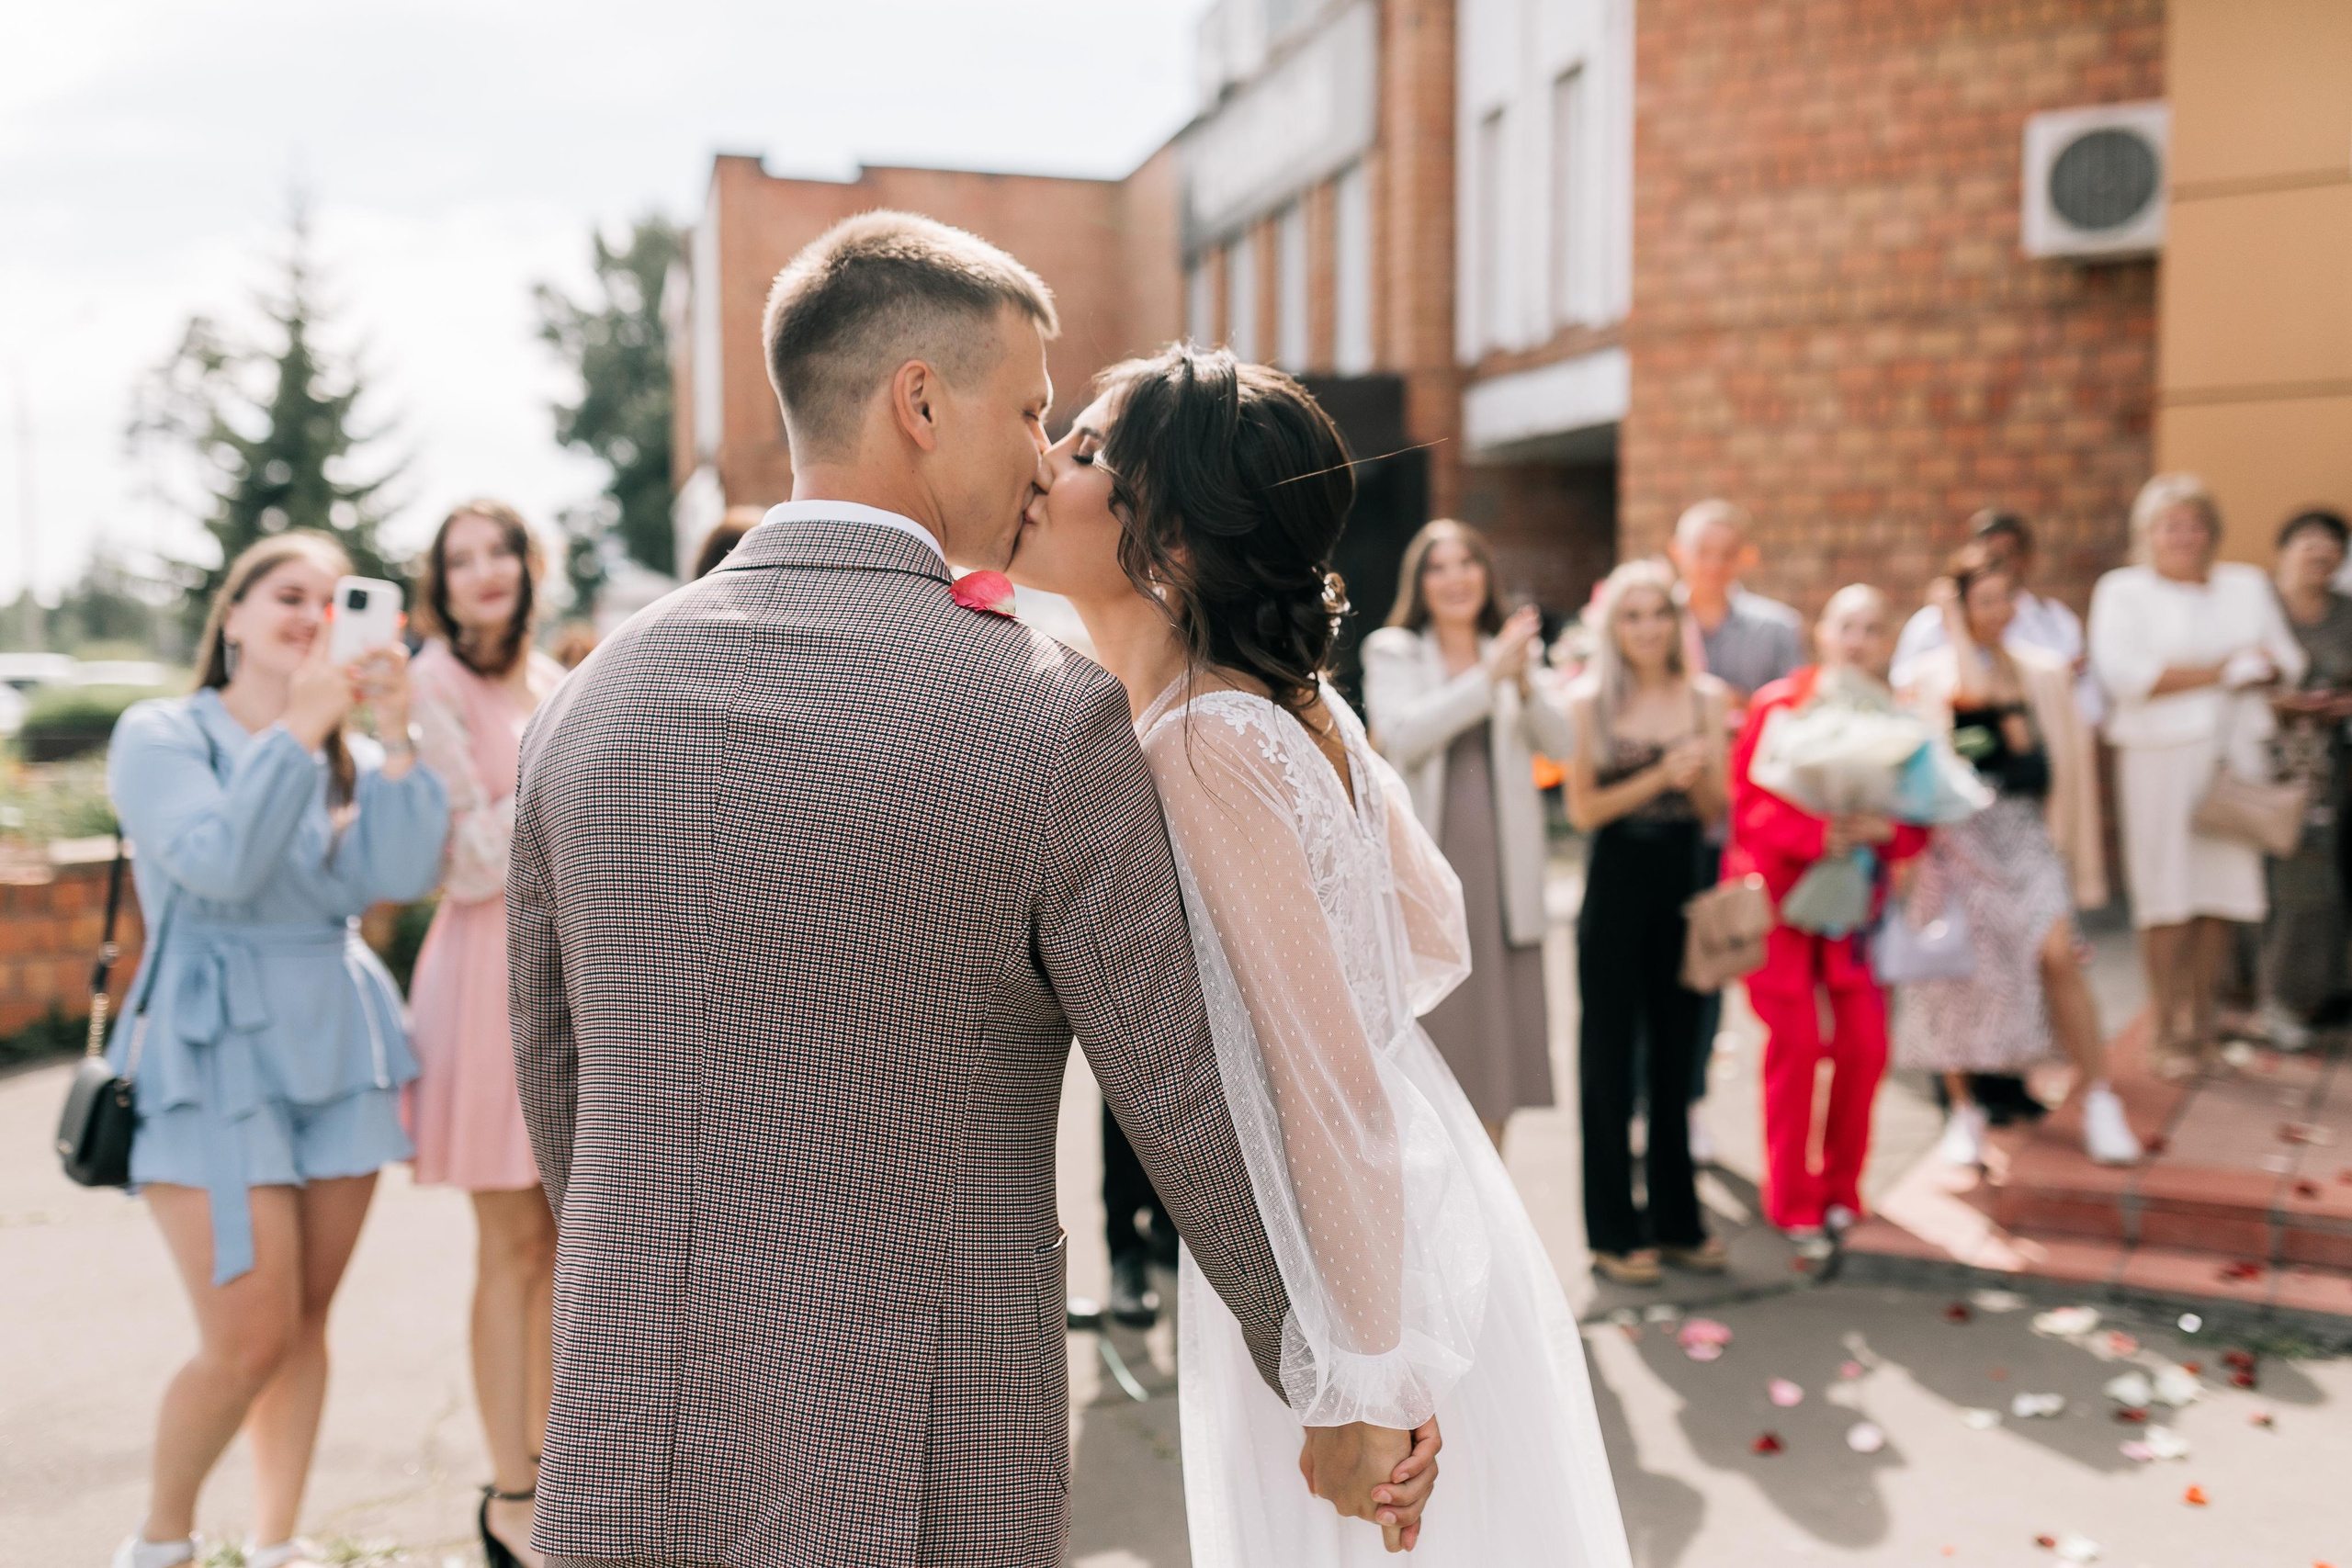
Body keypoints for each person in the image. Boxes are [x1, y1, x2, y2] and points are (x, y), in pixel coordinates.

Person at [507, 214, 1436, 1568]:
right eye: (1032, 410)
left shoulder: (584, 704)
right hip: (930, 1445)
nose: (1044, 456)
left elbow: (558, 1082)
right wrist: (1326, 1375)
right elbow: (1179, 1092)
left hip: (631, 1426)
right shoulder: (1044, 714)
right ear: (922, 403)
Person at [1010, 342, 1631, 1566]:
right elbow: (1430, 928)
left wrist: (1361, 1377)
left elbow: (1321, 1075)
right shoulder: (1291, 704)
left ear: (1170, 538)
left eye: (1082, 449)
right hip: (1401, 1198)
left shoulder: (1200, 739)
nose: (1043, 461)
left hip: (1337, 1259)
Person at [105, 533, 447, 1568]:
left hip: (335, 1043)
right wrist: (299, 727)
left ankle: (277, 1540)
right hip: (212, 1050)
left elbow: (396, 874)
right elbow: (218, 865)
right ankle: (159, 1543)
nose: (310, 615)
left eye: (330, 600)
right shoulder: (162, 734)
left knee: (303, 1321)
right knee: (246, 1336)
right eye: (287, 594)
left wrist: (395, 735)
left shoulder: (347, 750)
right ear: (235, 614)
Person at [401, 500, 568, 1568]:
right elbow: (461, 860)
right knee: (508, 1242)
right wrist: (567, 792)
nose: (483, 571)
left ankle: (554, 1466)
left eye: (498, 549)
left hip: (560, 969)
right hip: (481, 976)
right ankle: (509, 1492)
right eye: (459, 559)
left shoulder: (550, 678)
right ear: (440, 583)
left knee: (558, 1240)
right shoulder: (430, 684)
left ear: (528, 563)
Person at [1894, 544, 2142, 1167]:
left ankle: (2099, 1097)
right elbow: (1968, 702)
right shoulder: (1932, 676)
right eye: (1985, 600)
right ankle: (1965, 1113)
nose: (2001, 610)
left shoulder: (2042, 671)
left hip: (2025, 833)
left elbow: (2049, 768)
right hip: (1956, 843)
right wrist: (1954, 629)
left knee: (2058, 955)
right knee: (1957, 973)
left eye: (2007, 598)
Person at [1362, 519, 1574, 1150]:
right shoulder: (1394, 650)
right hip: (1428, 866)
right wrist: (1490, 678)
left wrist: (1524, 682)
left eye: (1467, 563)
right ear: (1419, 582)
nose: (1455, 578)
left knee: (1500, 1054)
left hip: (1505, 878)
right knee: (1438, 1049)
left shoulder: (1511, 651)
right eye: (1438, 566)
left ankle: (1499, 1185)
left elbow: (1563, 744)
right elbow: (1403, 736)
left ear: (1487, 574)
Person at [2089, 474, 2305, 1078]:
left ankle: (2204, 1026)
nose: (2185, 536)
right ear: (2149, 533)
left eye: (2195, 524)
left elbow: (2288, 660)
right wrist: (2220, 670)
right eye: (2172, 526)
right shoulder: (2124, 591)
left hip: (2234, 760)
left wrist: (2258, 669)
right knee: (2166, 894)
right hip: (2158, 760)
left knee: (2220, 894)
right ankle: (2163, 1028)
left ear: (2212, 530)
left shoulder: (2245, 584)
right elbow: (2126, 675)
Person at [1728, 585, 1928, 1239]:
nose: (1858, 640)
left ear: (1886, 641)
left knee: (1864, 1046)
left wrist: (1882, 830)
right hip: (1783, 903)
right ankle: (1793, 1197)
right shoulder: (1779, 704)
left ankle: (1844, 1186)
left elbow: (1919, 818)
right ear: (1822, 632)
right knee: (1797, 1045)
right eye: (1847, 626)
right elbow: (1747, 806)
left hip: (1855, 914)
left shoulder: (1898, 718)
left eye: (1872, 628)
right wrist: (1819, 834)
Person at [1563, 559, 1731, 1284]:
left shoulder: (1705, 698)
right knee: (1607, 1058)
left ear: (1676, 621)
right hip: (1615, 882)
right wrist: (1660, 775)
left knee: (1677, 1051)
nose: (1647, 627)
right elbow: (1582, 811)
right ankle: (1611, 1229)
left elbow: (1716, 811)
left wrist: (1698, 779)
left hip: (1685, 881)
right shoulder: (1588, 701)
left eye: (1659, 612)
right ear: (1613, 626)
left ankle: (1675, 1220)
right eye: (1632, 615)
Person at [1666, 499, 1802, 1161]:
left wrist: (1734, 710)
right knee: (1654, 970)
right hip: (1663, 818)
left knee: (1709, 967)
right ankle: (1654, 1103)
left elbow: (1792, 729)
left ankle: (1689, 1102)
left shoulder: (1775, 629)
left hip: (1736, 830)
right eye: (1702, 552)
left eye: (1726, 553)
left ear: (1743, 557)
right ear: (1679, 554)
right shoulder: (1650, 617)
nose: (1713, 566)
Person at [2259, 507, 2352, 1047]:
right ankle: (2270, 994)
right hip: (2261, 764)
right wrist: (2279, 704)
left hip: (2329, 768)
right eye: (2309, 541)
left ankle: (2316, 992)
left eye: (2333, 544)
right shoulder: (2258, 607)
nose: (2322, 552)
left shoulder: (2347, 612)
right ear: (2284, 550)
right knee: (2272, 883)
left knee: (2318, 881)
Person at [1892, 509, 2106, 725]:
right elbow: (1909, 698)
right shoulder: (1930, 629)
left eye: (2009, 552)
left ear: (2026, 557)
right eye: (1990, 551)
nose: (1999, 612)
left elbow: (2085, 702)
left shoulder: (2052, 622)